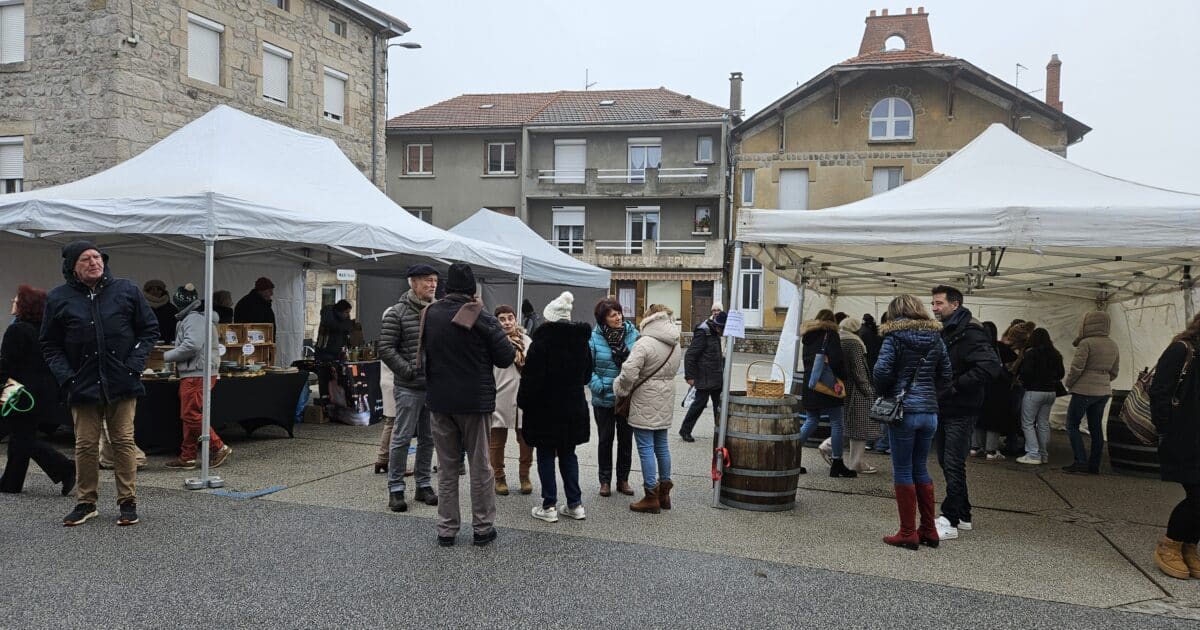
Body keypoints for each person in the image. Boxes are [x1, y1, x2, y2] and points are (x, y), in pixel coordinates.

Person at [42, 241, 159, 527]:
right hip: (81, 383)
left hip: (121, 381)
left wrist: (133, 365)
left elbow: (149, 330)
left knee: (123, 442)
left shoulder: (126, 290)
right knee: (85, 445)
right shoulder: (59, 298)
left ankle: (127, 501)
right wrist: (66, 376)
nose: (94, 262)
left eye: (97, 257)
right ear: (72, 266)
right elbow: (49, 344)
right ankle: (86, 502)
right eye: (86, 259)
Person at [421, 263, 514, 547]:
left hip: (440, 400)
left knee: (448, 468)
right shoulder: (482, 316)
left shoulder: (430, 313)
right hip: (475, 401)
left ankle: (446, 530)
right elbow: (506, 357)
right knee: (480, 466)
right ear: (473, 288)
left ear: (447, 287)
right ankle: (482, 528)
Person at [873, 294, 953, 549]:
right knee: (921, 468)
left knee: (903, 470)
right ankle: (929, 530)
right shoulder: (936, 337)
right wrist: (930, 395)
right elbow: (947, 374)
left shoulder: (893, 337)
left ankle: (908, 532)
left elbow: (881, 371)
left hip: (904, 412)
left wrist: (888, 392)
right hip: (929, 412)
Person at [930, 285, 1002, 541]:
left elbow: (990, 367)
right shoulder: (951, 331)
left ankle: (949, 518)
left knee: (952, 462)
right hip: (947, 406)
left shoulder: (970, 333)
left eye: (939, 303)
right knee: (947, 462)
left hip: (961, 407)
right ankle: (963, 514)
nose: (935, 308)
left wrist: (955, 386)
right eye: (934, 303)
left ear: (955, 304)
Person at [519, 292, 592, 523]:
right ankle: (575, 503)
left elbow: (530, 380)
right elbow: (587, 376)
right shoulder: (582, 343)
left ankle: (549, 505)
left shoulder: (540, 344)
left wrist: (523, 402)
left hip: (544, 409)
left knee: (546, 454)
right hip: (572, 407)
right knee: (568, 454)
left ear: (549, 318)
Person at [0, 285, 74, 495]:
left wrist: (2, 389)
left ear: (25, 305)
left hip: (17, 389)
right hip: (42, 390)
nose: (13, 302)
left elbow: (7, 363)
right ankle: (11, 482)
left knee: (22, 436)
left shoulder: (17, 329)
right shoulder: (46, 329)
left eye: (16, 299)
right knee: (21, 434)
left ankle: (64, 467)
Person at [378, 264, 439, 512]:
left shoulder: (438, 312)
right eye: (427, 280)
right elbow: (386, 349)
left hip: (433, 387)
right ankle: (395, 488)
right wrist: (408, 370)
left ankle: (423, 484)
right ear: (412, 283)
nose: (433, 285)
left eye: (435, 280)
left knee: (429, 438)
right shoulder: (397, 313)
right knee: (402, 438)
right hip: (408, 387)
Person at [615, 304, 683, 514]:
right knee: (662, 445)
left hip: (645, 398)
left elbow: (628, 372)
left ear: (648, 319)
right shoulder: (675, 342)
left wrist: (621, 389)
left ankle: (650, 496)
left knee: (645, 447)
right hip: (665, 397)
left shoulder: (644, 343)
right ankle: (665, 493)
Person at [1149, 313, 1200, 580]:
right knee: (1197, 495)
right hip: (1185, 437)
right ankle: (1170, 544)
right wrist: (1166, 428)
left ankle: (1188, 546)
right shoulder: (1182, 349)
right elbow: (1160, 390)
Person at [161, 289, 232, 470]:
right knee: (190, 415)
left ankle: (218, 446)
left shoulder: (193, 319)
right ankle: (188, 456)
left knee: (190, 414)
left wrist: (167, 356)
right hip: (197, 371)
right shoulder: (197, 318)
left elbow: (191, 345)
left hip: (196, 372)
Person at [588, 298, 639, 496]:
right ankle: (605, 481)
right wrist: (599, 386)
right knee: (605, 440)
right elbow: (587, 368)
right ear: (603, 320)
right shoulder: (594, 338)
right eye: (612, 315)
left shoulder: (633, 334)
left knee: (626, 440)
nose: (618, 317)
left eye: (618, 313)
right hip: (603, 397)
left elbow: (640, 363)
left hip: (626, 396)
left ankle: (623, 480)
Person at [797, 309, 854, 477]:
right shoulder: (830, 334)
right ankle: (837, 463)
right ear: (832, 321)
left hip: (811, 384)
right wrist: (843, 376)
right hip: (828, 386)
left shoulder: (807, 337)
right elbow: (836, 360)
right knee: (837, 422)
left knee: (811, 421)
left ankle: (790, 456)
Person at [1063, 311, 1120, 474]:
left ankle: (1080, 461)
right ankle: (1094, 465)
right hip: (1103, 391)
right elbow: (1115, 371)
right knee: (1096, 428)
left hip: (1084, 389)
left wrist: (1069, 383)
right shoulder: (1113, 344)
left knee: (1072, 424)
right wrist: (1103, 380)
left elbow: (1077, 368)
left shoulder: (1086, 343)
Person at [490, 305, 534, 496]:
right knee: (497, 442)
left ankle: (524, 476)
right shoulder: (491, 341)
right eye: (502, 319)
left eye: (510, 318)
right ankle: (499, 477)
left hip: (524, 395)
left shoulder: (527, 340)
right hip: (499, 395)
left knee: (526, 440)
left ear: (516, 319)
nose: (507, 322)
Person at [1016, 328, 1066, 466]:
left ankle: (1033, 454)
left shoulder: (1031, 353)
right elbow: (1061, 374)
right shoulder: (1056, 354)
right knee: (1043, 423)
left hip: (1034, 391)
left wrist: (1025, 381)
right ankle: (1044, 454)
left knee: (1027, 423)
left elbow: (1026, 372)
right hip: (1050, 392)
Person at [973, 321, 1022, 461]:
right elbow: (1014, 358)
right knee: (994, 419)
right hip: (997, 388)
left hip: (979, 385)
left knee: (978, 417)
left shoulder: (976, 346)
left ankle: (975, 447)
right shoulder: (999, 347)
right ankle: (991, 450)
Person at [838, 317, 878, 474]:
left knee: (847, 423)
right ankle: (856, 462)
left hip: (844, 388)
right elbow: (859, 370)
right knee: (860, 426)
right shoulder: (854, 343)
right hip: (856, 390)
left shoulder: (839, 339)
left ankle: (830, 448)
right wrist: (868, 390)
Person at [679, 309, 726, 442]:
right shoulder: (703, 333)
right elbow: (690, 356)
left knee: (719, 406)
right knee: (699, 404)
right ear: (718, 326)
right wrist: (689, 376)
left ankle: (720, 432)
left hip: (716, 376)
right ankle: (685, 430)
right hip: (704, 377)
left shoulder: (715, 333)